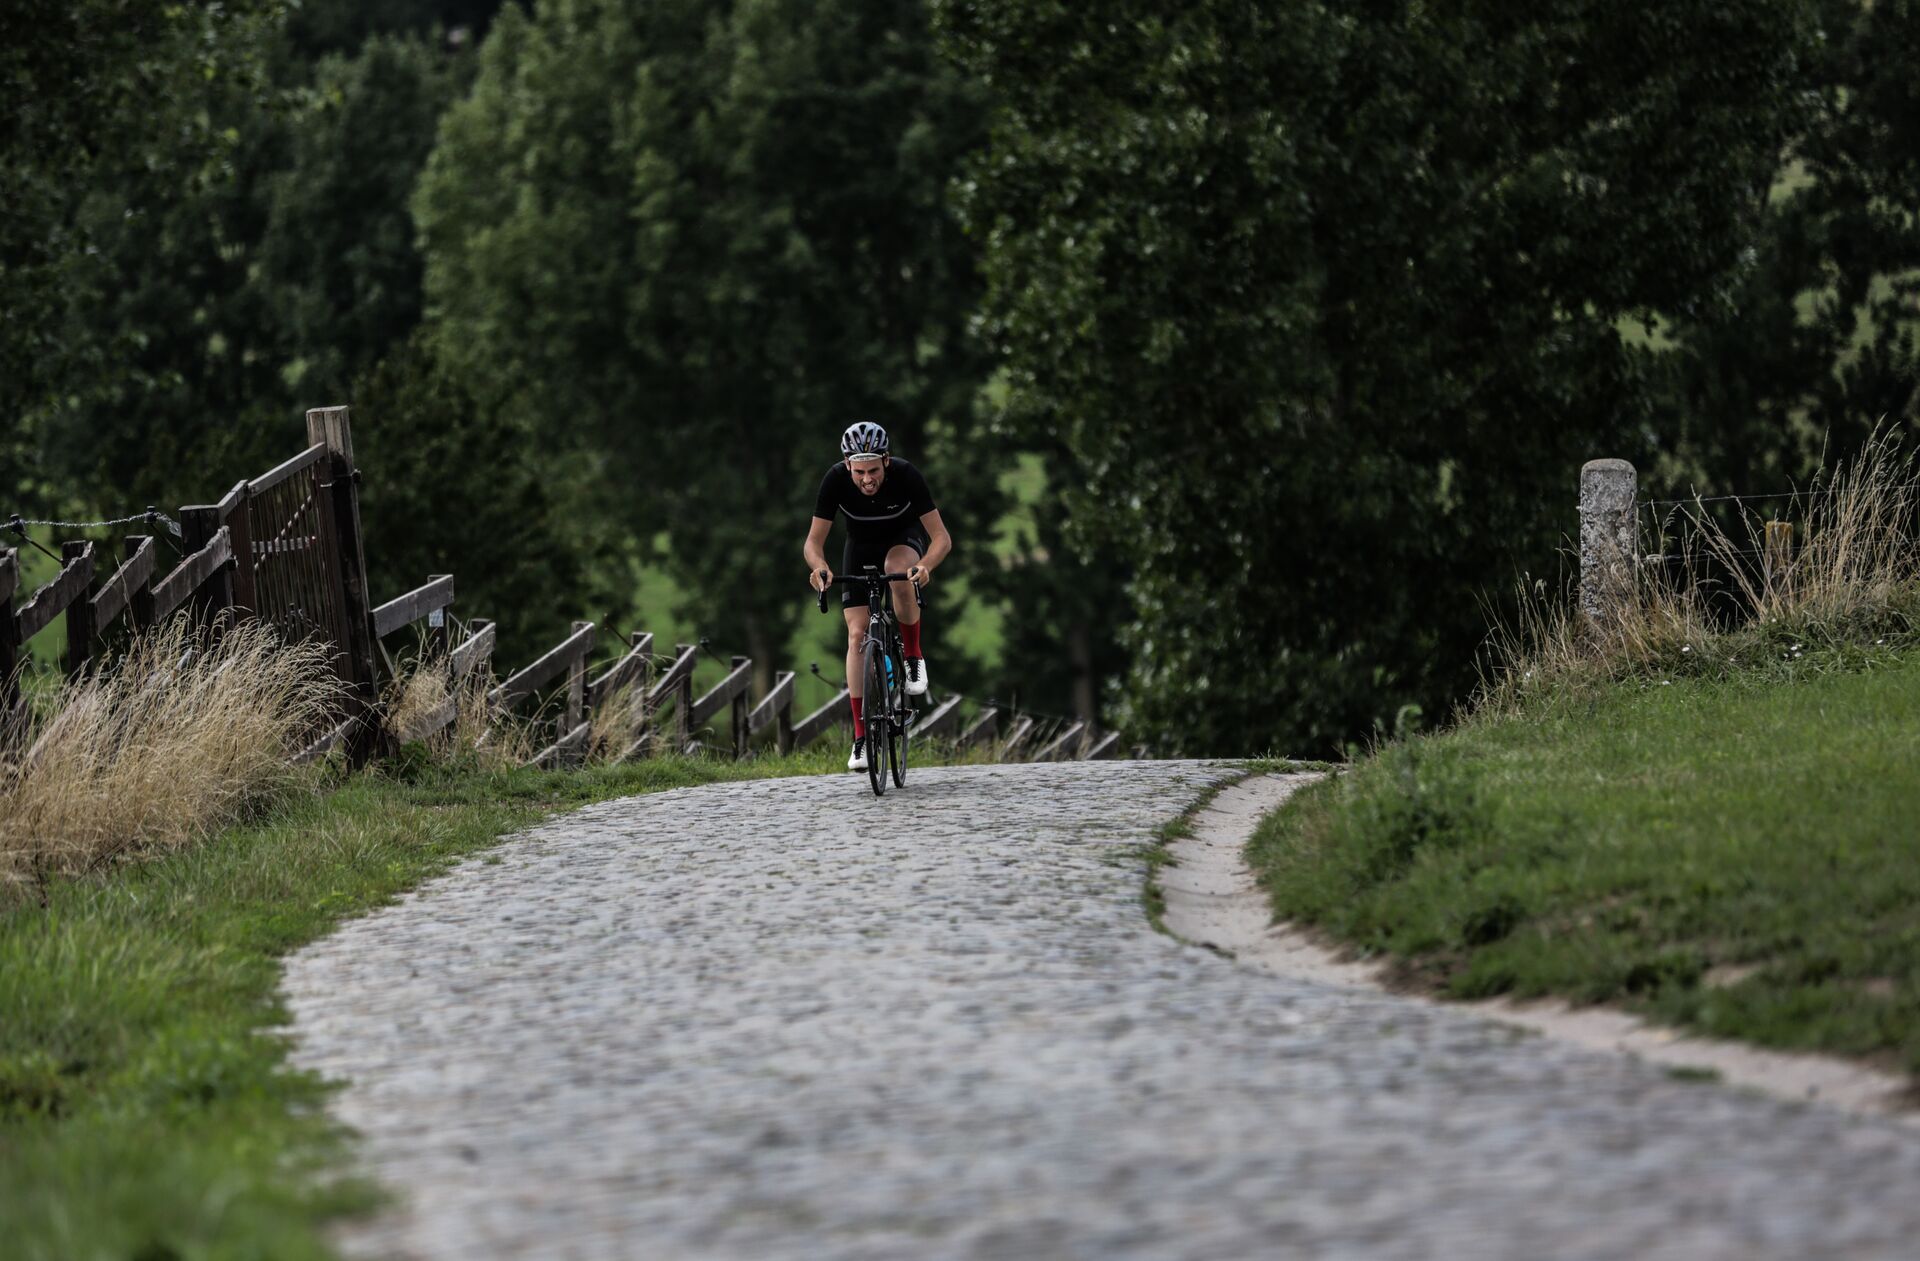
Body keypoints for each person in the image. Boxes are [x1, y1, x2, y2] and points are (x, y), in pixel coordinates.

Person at [803, 421, 951, 771]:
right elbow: (813, 542)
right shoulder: (835, 480)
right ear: (847, 466)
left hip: (904, 542)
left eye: (873, 470)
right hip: (860, 549)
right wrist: (819, 567)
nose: (867, 479)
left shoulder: (906, 475)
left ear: (886, 460)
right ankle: (860, 739)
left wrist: (927, 565)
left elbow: (941, 537)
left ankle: (913, 655)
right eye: (859, 472)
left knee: (897, 572)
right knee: (856, 636)